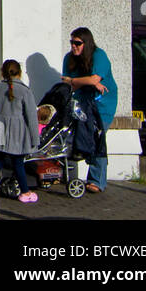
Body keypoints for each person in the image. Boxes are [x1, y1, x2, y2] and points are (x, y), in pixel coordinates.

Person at [61, 27, 116, 192]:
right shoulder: (69, 58)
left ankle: (97, 180)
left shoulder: (99, 56)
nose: (73, 46)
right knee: (72, 136)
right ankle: (65, 173)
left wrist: (76, 81)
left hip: (102, 105)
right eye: (72, 42)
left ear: (87, 43)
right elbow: (65, 81)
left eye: (77, 43)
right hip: (81, 102)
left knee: (97, 138)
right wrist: (86, 82)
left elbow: (94, 79)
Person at [0, 59, 41, 203]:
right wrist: (35, 138)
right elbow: (31, 117)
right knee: (18, 162)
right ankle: (25, 192)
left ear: (3, 72)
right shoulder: (25, 90)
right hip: (17, 131)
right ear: (19, 72)